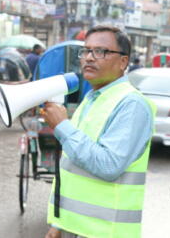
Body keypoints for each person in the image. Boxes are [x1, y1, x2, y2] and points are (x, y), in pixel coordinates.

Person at [41, 25, 155, 238]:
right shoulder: (93, 98)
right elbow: (76, 166)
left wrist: (62, 126)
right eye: (86, 51)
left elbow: (108, 165)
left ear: (123, 62)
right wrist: (59, 224)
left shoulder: (132, 104)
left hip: (106, 232)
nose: (89, 58)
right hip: (75, 228)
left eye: (101, 51)